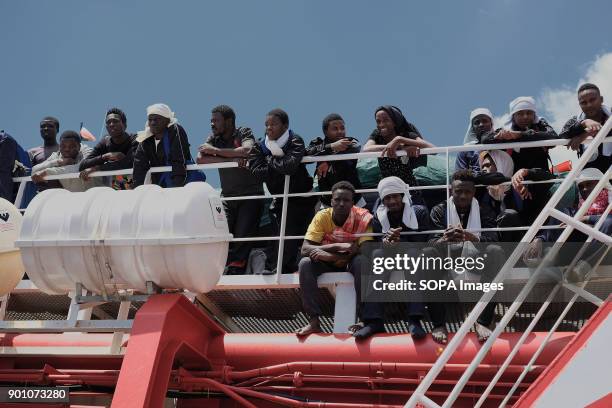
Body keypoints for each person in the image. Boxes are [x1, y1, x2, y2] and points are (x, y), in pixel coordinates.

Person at [428, 170, 504, 343]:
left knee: (496, 251)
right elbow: (430, 244)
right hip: (448, 260)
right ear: (450, 191)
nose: (463, 196)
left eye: (467, 192)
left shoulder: (484, 210)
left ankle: (483, 322)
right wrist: (444, 239)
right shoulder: (439, 210)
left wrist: (472, 238)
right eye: (458, 191)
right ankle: (438, 324)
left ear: (474, 192)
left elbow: (494, 239)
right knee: (427, 254)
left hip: (476, 258)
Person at [360, 176, 440, 340]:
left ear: (402, 195)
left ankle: (414, 319)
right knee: (377, 254)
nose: (392, 201)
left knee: (413, 254)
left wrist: (400, 241)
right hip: (390, 256)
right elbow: (376, 244)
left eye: (395, 196)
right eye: (387, 198)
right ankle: (373, 321)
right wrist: (386, 242)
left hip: (413, 254)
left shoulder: (419, 212)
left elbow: (426, 241)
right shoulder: (378, 216)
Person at [296, 181, 372, 336]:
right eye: (337, 200)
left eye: (346, 200)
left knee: (362, 262)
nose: (341, 204)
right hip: (329, 261)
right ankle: (314, 321)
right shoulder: (322, 216)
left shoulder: (364, 217)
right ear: (331, 201)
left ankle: (364, 318)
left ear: (353, 202)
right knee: (305, 263)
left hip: (351, 261)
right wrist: (337, 247)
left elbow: (363, 250)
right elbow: (305, 249)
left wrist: (328, 254)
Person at [197, 105, 264, 275]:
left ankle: (236, 267)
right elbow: (200, 159)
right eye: (211, 121)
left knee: (242, 235)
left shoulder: (243, 131)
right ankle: (220, 265)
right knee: (220, 231)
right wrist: (233, 158)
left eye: (216, 120)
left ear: (229, 121)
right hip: (227, 196)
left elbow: (247, 150)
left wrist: (216, 152)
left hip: (250, 194)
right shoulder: (213, 137)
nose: (212, 124)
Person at [249, 109, 317, 274]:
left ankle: (293, 269)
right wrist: (278, 163)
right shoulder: (259, 146)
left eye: (273, 124)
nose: (269, 128)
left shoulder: (295, 140)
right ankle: (277, 269)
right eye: (266, 124)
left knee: (303, 236)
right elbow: (256, 173)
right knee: (283, 234)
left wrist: (270, 159)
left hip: (303, 199)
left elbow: (290, 166)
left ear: (285, 126)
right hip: (280, 199)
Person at [524, 168, 612, 282]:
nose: (584, 189)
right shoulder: (575, 211)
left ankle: (582, 268)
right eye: (581, 186)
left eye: (589, 184)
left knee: (608, 222)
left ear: (601, 184)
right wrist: (539, 239)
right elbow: (557, 222)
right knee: (561, 215)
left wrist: (586, 218)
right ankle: (545, 263)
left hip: (603, 253)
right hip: (579, 250)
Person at [482, 97, 559, 224]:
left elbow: (553, 137)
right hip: (516, 183)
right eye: (520, 113)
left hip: (540, 178)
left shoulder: (540, 125)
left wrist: (521, 135)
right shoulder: (507, 129)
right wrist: (503, 137)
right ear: (513, 116)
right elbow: (485, 138)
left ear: (534, 114)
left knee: (541, 213)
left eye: (529, 113)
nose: (525, 116)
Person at [362, 106, 434, 205]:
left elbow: (432, 148)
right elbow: (366, 149)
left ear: (395, 122)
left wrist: (400, 139)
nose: (381, 124)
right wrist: (399, 148)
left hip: (409, 190)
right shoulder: (377, 135)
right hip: (388, 191)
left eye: (386, 120)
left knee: (419, 212)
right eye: (378, 121)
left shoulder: (406, 134)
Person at [132, 103, 204, 188]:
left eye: (157, 119)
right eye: (150, 119)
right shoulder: (146, 139)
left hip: (181, 185)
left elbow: (179, 160)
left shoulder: (175, 130)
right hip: (159, 187)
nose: (152, 123)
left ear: (167, 120)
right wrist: (137, 189)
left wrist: (176, 188)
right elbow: (139, 165)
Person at [307, 113, 364, 207]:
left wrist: (328, 161)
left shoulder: (350, 141)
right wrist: (331, 147)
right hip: (327, 202)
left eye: (342, 128)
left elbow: (356, 147)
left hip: (354, 200)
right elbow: (308, 153)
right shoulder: (318, 143)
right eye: (335, 128)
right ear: (325, 131)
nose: (340, 131)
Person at [79, 108, 138, 190]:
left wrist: (97, 168)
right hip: (110, 191)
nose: (111, 124)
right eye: (108, 122)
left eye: (115, 121)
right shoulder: (105, 142)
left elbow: (127, 163)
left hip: (134, 188)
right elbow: (83, 165)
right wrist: (105, 156)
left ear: (124, 125)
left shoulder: (135, 139)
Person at [560, 83, 612, 173]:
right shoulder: (576, 120)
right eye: (584, 103)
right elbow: (561, 137)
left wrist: (585, 134)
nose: (589, 105)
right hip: (589, 178)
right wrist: (583, 124)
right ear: (580, 105)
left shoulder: (610, 113)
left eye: (592, 100)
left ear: (601, 99)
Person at [31, 131, 104, 192]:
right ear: (59, 147)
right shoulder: (57, 156)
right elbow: (34, 170)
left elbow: (81, 167)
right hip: (75, 200)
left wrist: (47, 172)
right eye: (63, 146)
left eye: (71, 146)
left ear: (79, 147)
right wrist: (57, 162)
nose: (67, 149)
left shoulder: (87, 151)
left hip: (97, 196)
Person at [455, 108, 495, 174]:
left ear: (491, 124)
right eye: (477, 122)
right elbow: (460, 175)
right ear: (473, 128)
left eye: (485, 121)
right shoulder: (465, 150)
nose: (481, 125)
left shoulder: (501, 145)